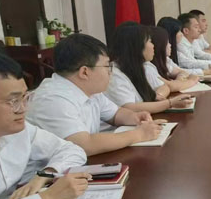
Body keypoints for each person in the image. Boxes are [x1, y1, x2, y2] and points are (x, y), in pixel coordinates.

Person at [0, 50, 88, 199]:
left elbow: (72, 150)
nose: (23, 109)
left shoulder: (19, 131)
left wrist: (44, 174)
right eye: (13, 101)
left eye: (25, 98)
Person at [26, 34, 165, 156]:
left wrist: (135, 117)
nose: (110, 72)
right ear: (84, 72)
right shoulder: (53, 99)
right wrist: (139, 134)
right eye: (106, 66)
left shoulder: (89, 89)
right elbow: (84, 145)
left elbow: (115, 114)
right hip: (46, 174)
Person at [105, 23, 193, 113]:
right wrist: (170, 103)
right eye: (150, 41)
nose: (153, 46)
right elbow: (129, 108)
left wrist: (158, 95)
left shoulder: (142, 66)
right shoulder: (115, 74)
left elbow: (164, 86)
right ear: (137, 46)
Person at [148, 26, 200, 92]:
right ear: (160, 45)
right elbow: (170, 86)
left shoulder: (165, 60)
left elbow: (181, 71)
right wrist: (192, 81)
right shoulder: (147, 67)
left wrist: (178, 81)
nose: (170, 45)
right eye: (167, 42)